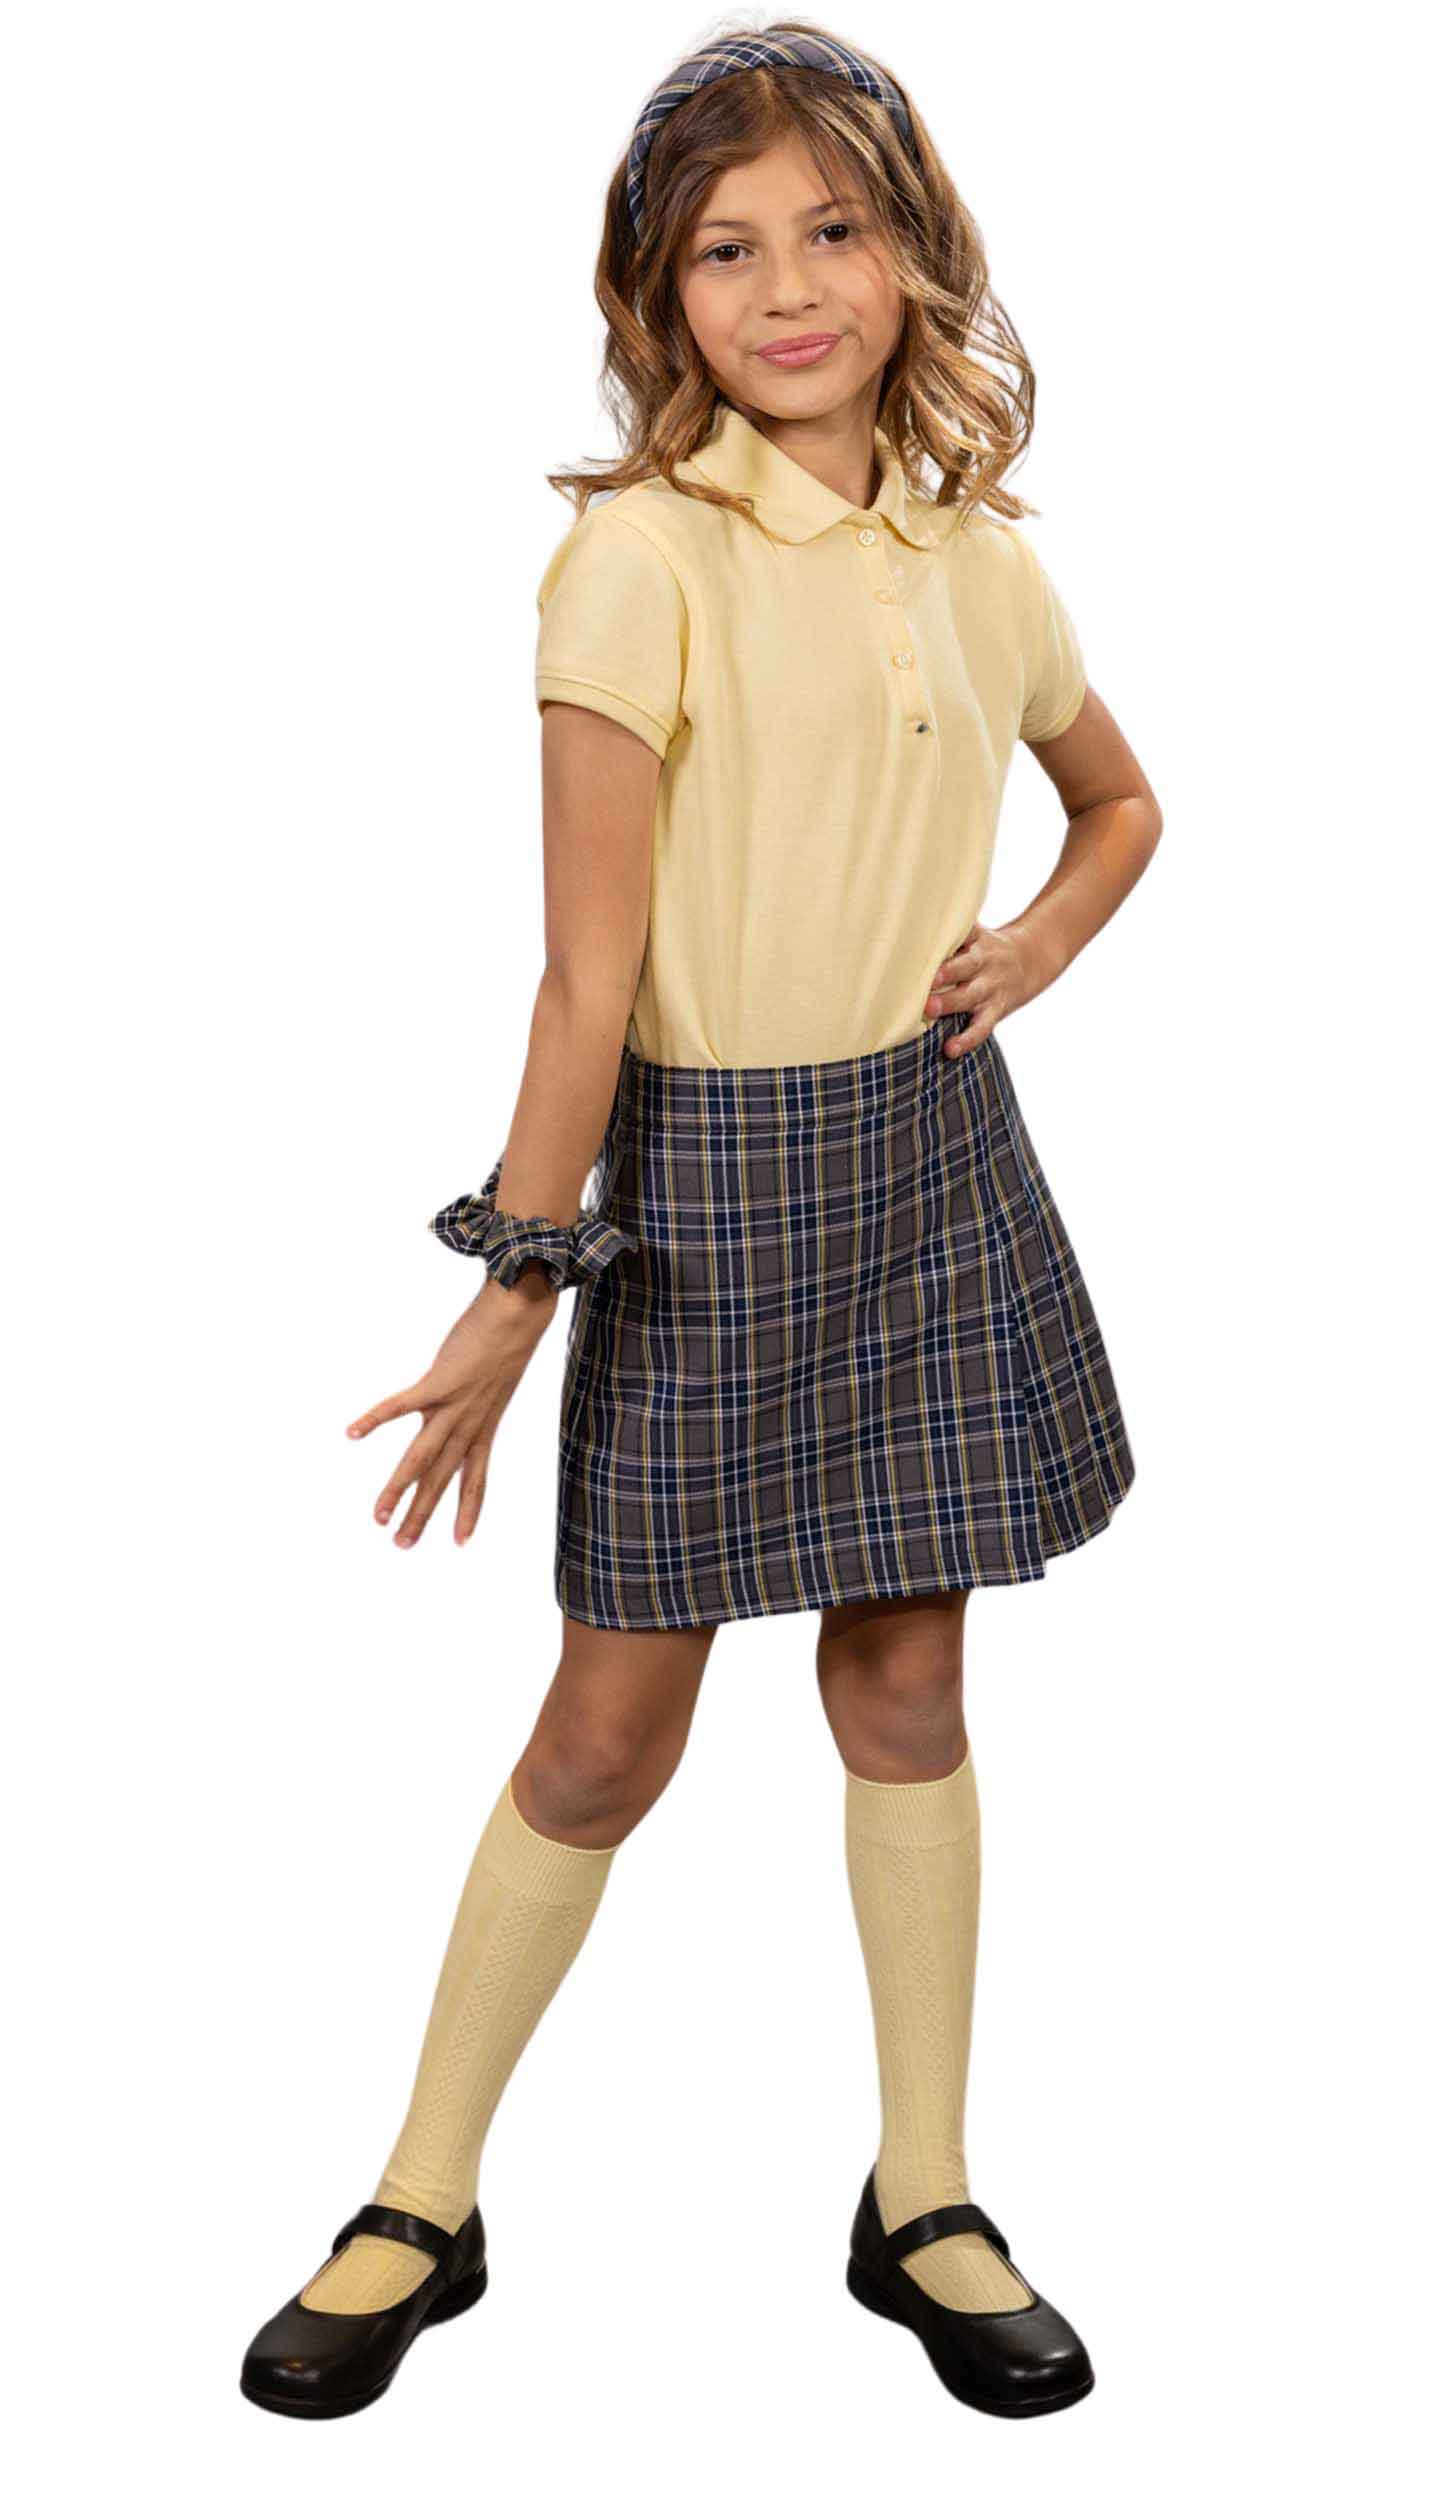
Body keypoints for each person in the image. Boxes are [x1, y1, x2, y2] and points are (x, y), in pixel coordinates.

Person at [240, 16, 1161, 2425]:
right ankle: (421, 2194)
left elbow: (1121, 803)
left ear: (915, 253)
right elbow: (586, 975)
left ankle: (924, 2193)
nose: (788, 287)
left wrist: (1035, 944)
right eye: (724, 250)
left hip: (929, 1171)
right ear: (657, 298)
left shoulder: (977, 561)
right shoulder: (635, 559)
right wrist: (512, 1290)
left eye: (832, 230)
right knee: (605, 1730)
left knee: (908, 1684)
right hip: (705, 1192)